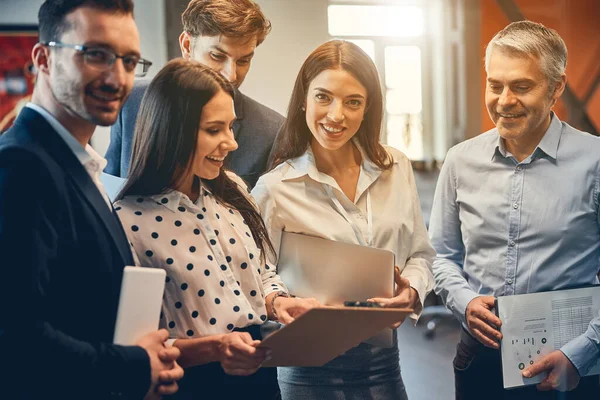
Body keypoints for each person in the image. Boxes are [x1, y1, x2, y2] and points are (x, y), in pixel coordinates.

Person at [0, 1, 184, 399]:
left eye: (130, 61)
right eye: (96, 55)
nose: (117, 78)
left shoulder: (77, 163)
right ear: (43, 58)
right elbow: (13, 337)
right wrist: (135, 366)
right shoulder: (20, 165)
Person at [114, 58, 318, 399]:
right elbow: (133, 347)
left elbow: (263, 271)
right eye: (214, 130)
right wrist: (214, 348)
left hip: (259, 374)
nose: (231, 143)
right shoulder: (127, 221)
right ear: (172, 130)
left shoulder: (233, 190)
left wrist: (277, 302)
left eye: (231, 127)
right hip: (192, 385)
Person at [251, 40, 435, 399]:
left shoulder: (395, 167)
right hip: (309, 370)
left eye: (353, 102)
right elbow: (256, 272)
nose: (336, 115)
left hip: (384, 362)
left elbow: (420, 254)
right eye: (324, 97)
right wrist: (278, 300)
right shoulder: (275, 188)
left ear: (367, 109)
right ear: (304, 99)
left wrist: (410, 291)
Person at [429, 20, 600, 399]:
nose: (504, 100)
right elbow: (440, 255)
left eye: (521, 86)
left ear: (556, 88)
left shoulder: (595, 161)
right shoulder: (460, 161)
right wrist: (465, 301)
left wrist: (583, 352)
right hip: (479, 356)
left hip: (573, 362)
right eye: (495, 85)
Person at [105, 0, 283, 188]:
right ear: (187, 45)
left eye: (243, 60)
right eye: (217, 56)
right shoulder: (131, 101)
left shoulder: (270, 132)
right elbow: (110, 189)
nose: (230, 75)